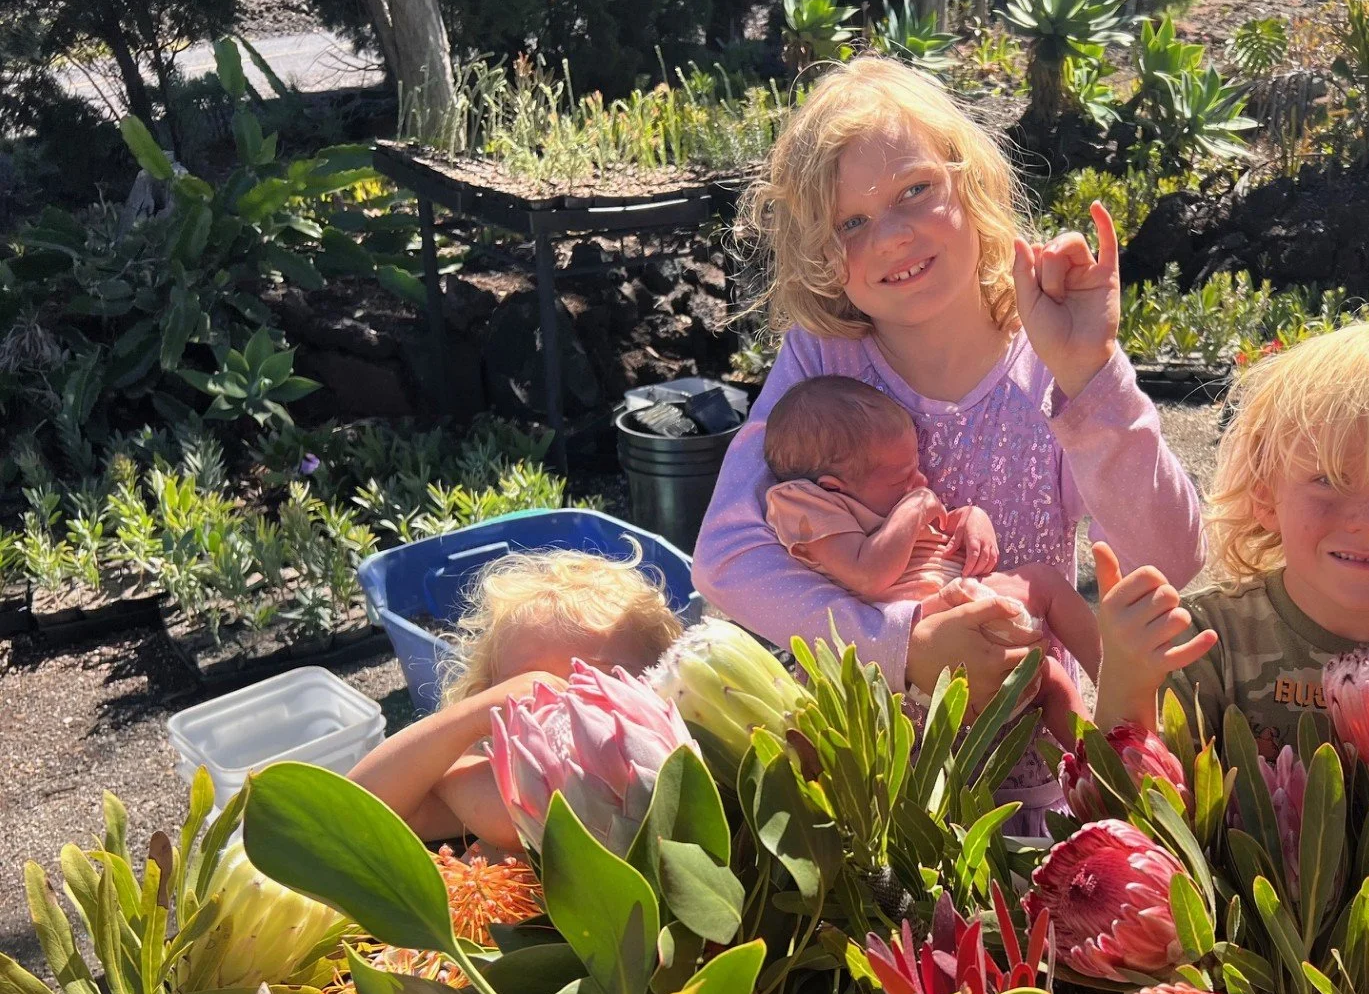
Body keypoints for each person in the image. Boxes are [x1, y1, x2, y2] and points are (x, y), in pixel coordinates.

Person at [692, 55, 1204, 779]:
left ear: (972, 181)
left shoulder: (1046, 366)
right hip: (870, 775)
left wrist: (1091, 376)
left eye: (915, 190)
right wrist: (905, 646)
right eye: (852, 222)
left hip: (1029, 765)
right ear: (819, 256)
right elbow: (726, 559)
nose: (893, 236)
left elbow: (1171, 561)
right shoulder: (822, 359)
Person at [1095, 308, 1369, 753]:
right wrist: (1125, 683)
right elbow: (1135, 808)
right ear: (1265, 496)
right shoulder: (1205, 643)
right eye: (1329, 479)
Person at [761, 374, 1102, 741]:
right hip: (929, 632)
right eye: (903, 478)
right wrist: (916, 505)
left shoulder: (890, 502)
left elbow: (944, 523)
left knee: (1048, 648)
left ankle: (1110, 728)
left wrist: (972, 518)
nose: (920, 480)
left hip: (967, 604)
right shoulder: (804, 502)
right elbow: (868, 574)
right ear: (833, 486)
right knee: (1043, 656)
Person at [349, 547, 682, 847]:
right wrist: (465, 721)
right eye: (524, 687)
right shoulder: (493, 782)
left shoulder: (682, 769)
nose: (563, 705)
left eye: (597, 681)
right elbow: (352, 812)